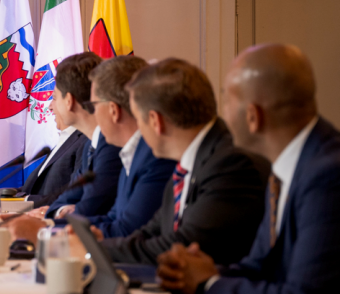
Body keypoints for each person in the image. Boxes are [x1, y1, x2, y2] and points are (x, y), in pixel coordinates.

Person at [158, 44, 340, 294]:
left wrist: (208, 286)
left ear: (253, 117)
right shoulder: (287, 167)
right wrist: (197, 272)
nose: (221, 113)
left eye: (227, 100)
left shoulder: (327, 175)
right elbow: (260, 266)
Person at [102, 58, 269, 265]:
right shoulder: (186, 164)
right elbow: (150, 232)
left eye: (138, 119)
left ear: (155, 121)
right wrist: (97, 245)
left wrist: (94, 251)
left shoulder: (231, 164)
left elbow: (183, 246)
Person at [11, 56, 174, 243]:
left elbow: (124, 227)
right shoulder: (123, 150)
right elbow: (111, 218)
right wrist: (55, 224)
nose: (92, 113)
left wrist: (48, 230)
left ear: (113, 110)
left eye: (94, 105)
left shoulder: (150, 157)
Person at [43, 52, 121, 217]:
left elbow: (89, 209)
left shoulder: (111, 147)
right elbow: (65, 199)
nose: (50, 106)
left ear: (69, 101)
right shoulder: (89, 146)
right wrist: (63, 211)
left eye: (55, 98)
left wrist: (65, 212)